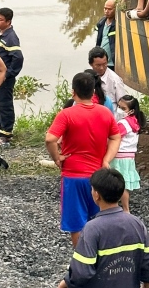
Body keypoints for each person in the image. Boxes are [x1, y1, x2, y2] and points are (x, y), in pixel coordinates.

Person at [45, 72, 121, 246]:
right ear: (93, 92)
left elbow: (50, 138)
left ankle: (83, 263)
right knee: (101, 219)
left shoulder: (66, 114)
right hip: (98, 177)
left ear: (73, 92)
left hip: (74, 176)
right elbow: (116, 137)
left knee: (77, 224)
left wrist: (57, 158)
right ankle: (101, 258)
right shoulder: (105, 112)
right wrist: (106, 160)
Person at [57, 168, 149, 288]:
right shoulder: (137, 224)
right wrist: (146, 286)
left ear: (96, 195)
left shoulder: (92, 228)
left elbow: (81, 272)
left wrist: (64, 283)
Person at [0, 8, 24, 145]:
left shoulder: (11, 38)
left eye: (1, 19)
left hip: (4, 78)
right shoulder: (1, 33)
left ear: (8, 21)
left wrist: (7, 74)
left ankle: (6, 135)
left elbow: (18, 58)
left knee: (5, 104)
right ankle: (0, 126)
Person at [110, 95, 145, 213]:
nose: (119, 110)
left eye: (123, 108)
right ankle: (125, 208)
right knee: (124, 183)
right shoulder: (135, 122)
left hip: (119, 156)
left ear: (131, 111)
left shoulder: (123, 123)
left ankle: (125, 209)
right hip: (129, 157)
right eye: (119, 106)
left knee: (119, 183)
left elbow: (113, 137)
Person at [88, 47, 126, 115]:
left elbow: (123, 105)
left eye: (104, 64)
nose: (102, 68)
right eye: (98, 65)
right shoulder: (87, 77)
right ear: (91, 64)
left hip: (110, 117)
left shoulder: (115, 80)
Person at [95, 0, 116, 70]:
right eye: (105, 8)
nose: (106, 11)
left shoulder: (118, 24)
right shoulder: (101, 23)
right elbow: (99, 41)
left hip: (112, 63)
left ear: (116, 9)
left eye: (110, 9)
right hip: (101, 62)